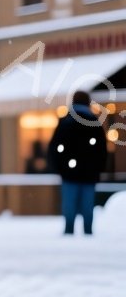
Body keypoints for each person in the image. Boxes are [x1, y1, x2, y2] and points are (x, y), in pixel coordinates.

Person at [48, 90, 108, 236]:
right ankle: (88, 231)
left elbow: (55, 147)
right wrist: (98, 169)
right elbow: (102, 150)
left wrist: (59, 168)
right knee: (87, 206)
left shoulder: (65, 121)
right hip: (89, 173)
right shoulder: (94, 122)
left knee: (69, 204)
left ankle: (69, 231)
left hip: (69, 173)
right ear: (88, 102)